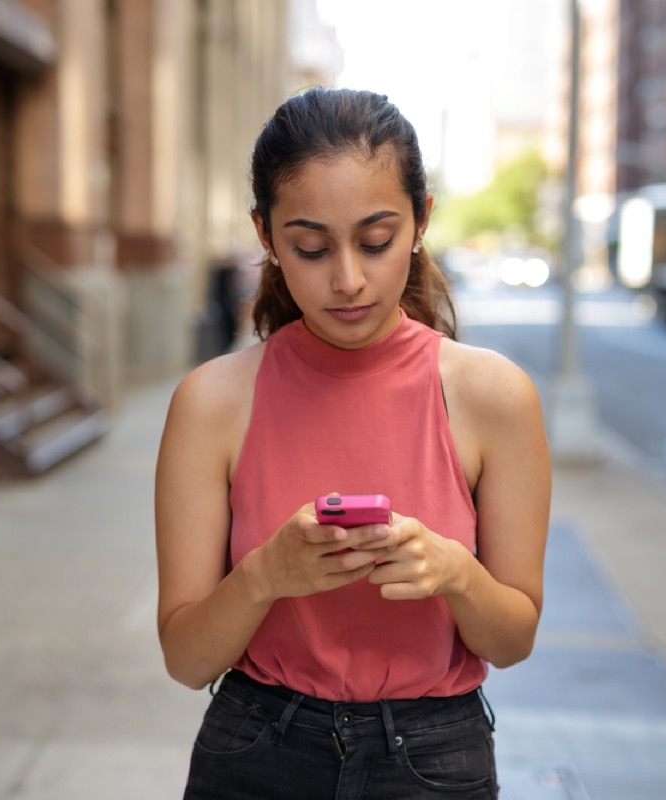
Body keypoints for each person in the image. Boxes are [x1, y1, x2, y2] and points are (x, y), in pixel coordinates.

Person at [155, 87, 551, 799]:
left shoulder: (494, 397)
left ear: (421, 220)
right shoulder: (212, 402)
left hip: (435, 757)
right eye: (309, 247)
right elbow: (185, 658)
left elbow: (512, 640)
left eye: (376, 241)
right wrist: (265, 575)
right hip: (255, 749)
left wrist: (455, 572)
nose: (347, 279)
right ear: (267, 235)